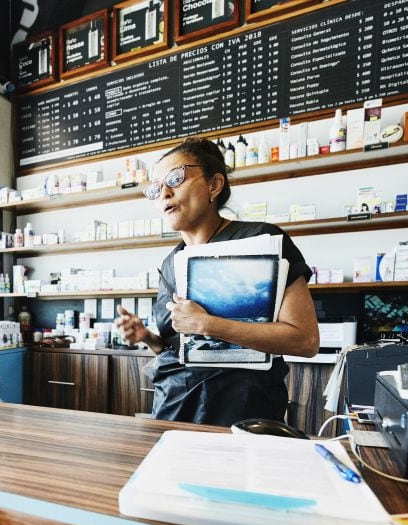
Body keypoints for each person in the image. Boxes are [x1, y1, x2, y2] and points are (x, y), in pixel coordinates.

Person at [115, 137, 318, 427]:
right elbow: (178, 350)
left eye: (176, 178)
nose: (165, 193)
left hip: (244, 411)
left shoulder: (262, 241)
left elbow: (306, 341)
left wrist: (210, 325)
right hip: (175, 407)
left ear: (214, 184)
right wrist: (147, 338)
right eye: (156, 188)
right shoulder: (171, 264)